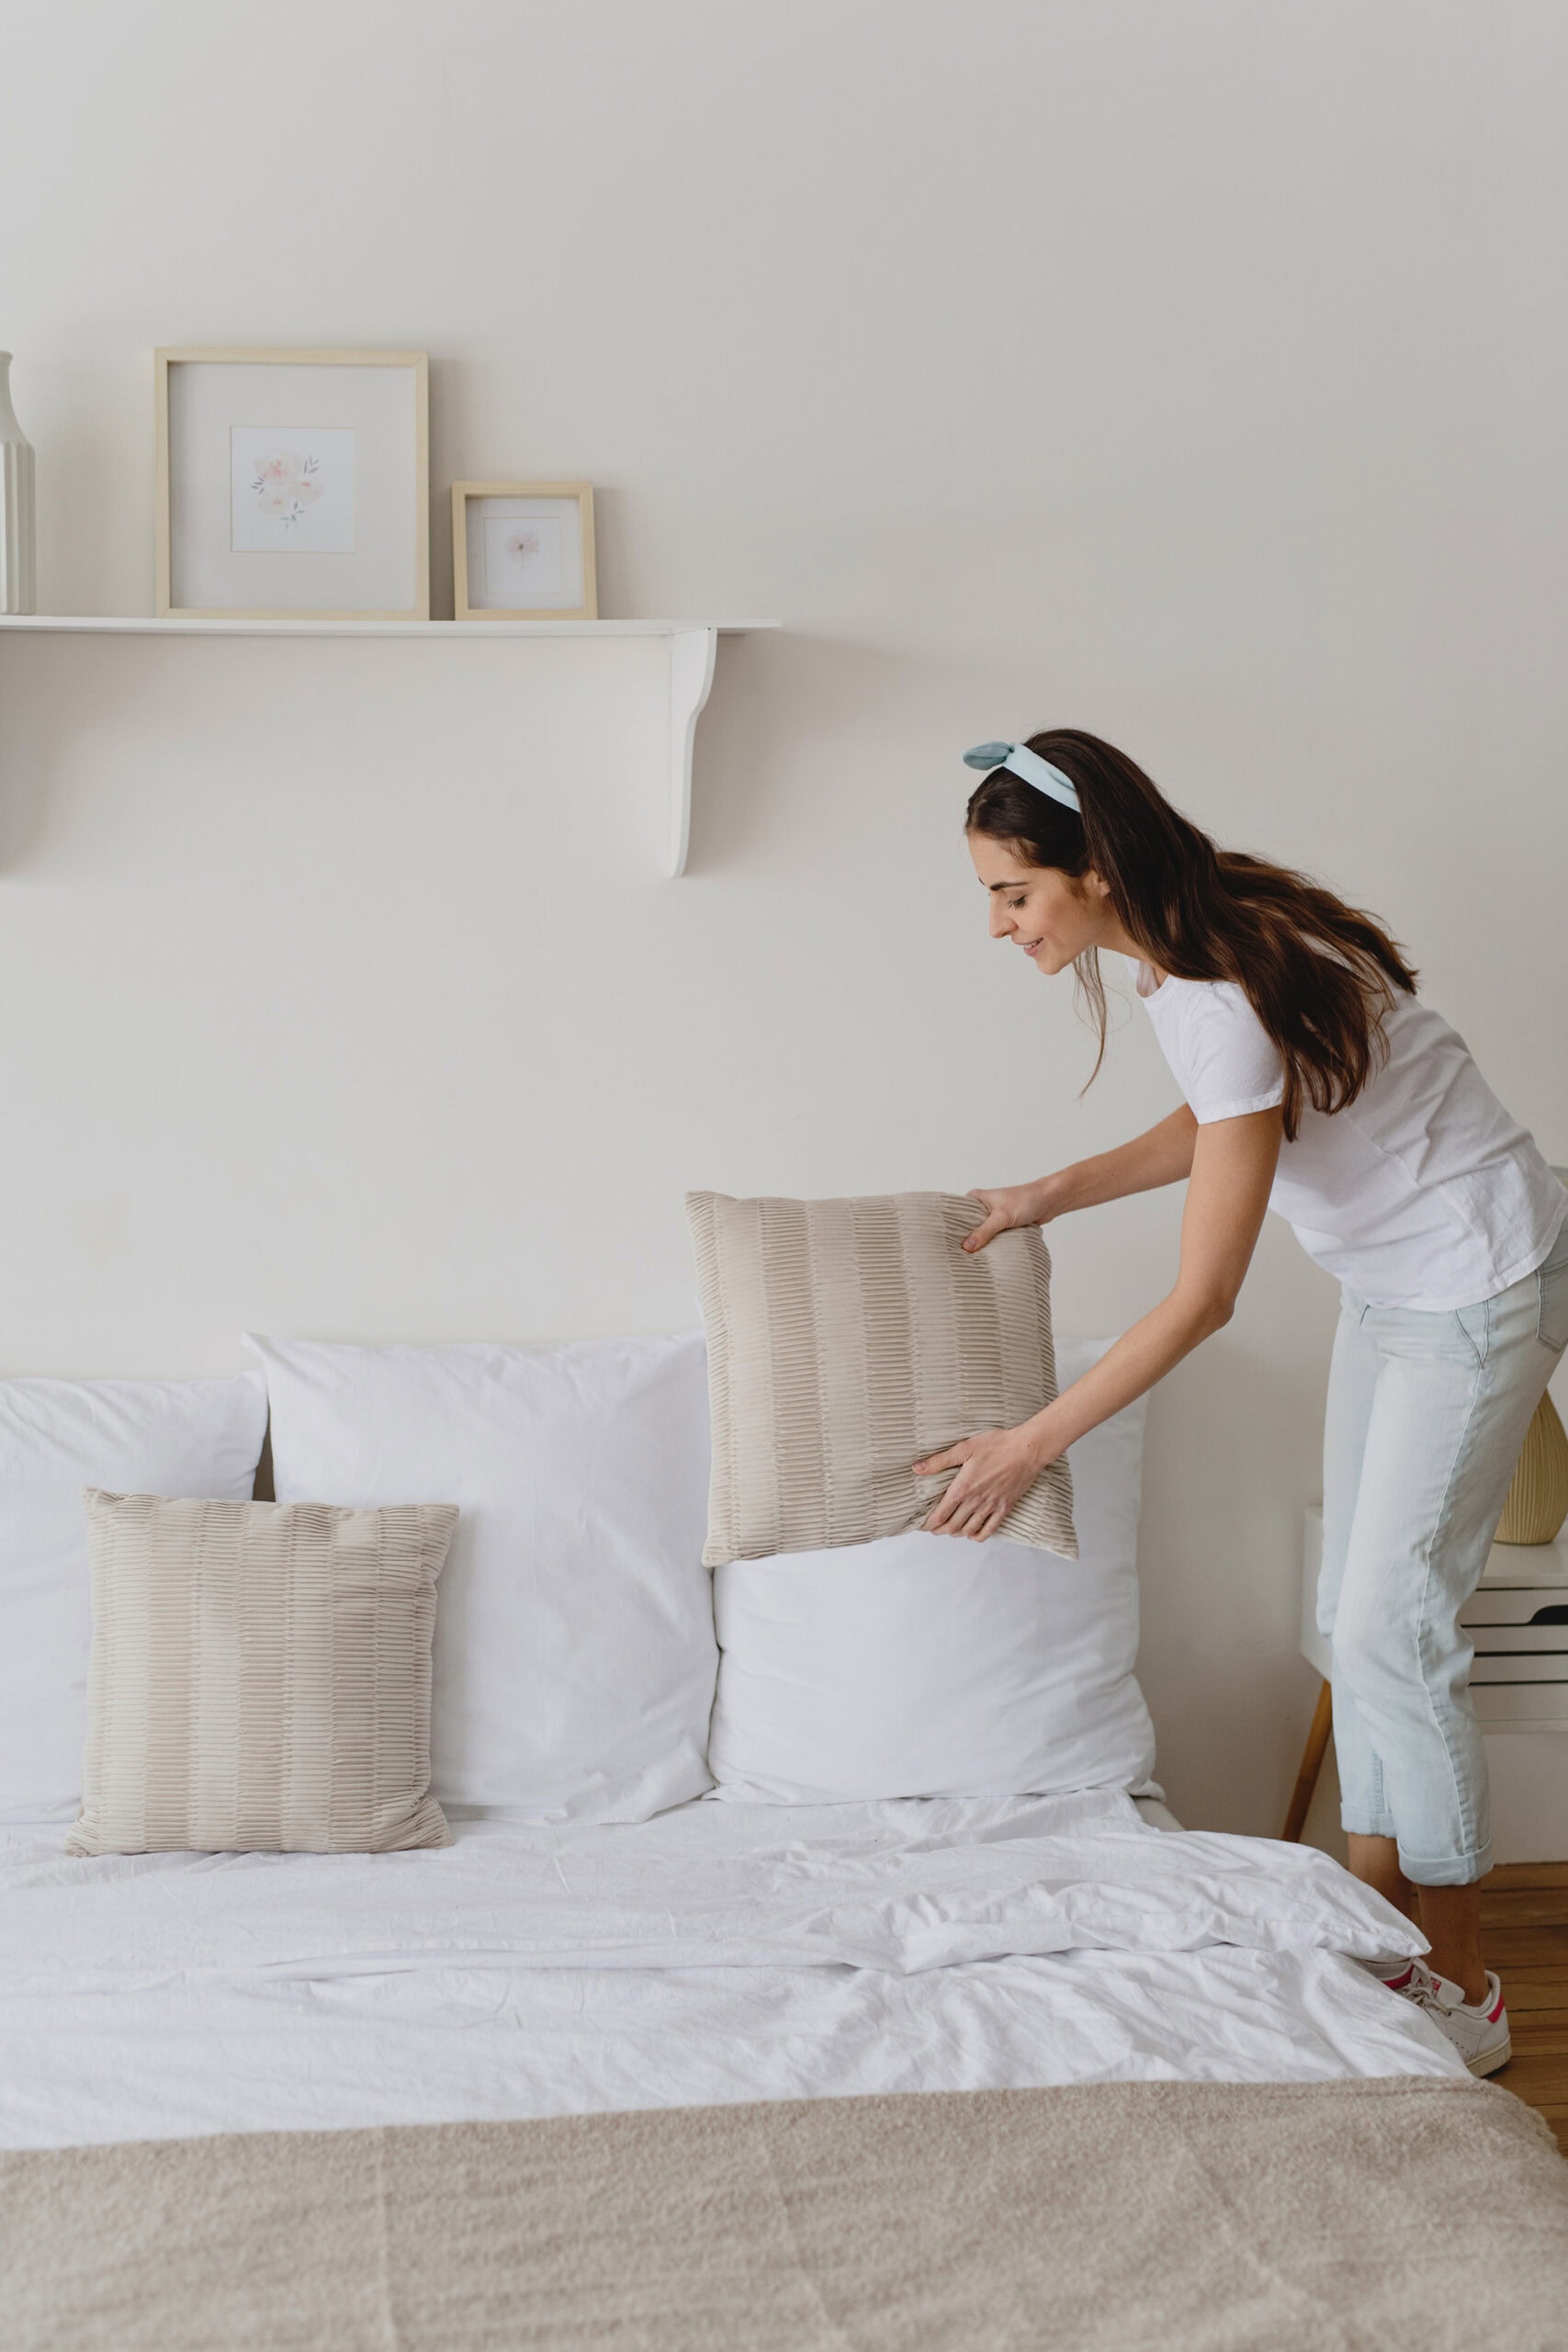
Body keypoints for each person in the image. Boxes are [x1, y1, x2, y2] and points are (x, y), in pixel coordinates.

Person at [913, 728, 1568, 2078]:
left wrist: (1035, 1440)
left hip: (1476, 1279)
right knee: (1356, 1615)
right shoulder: (1198, 940)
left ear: (1092, 869)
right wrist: (1052, 1191)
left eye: (1013, 893)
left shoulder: (1212, 978)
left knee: (1394, 1627)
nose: (996, 924)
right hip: (1402, 1284)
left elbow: (1204, 1300)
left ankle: (1466, 1982)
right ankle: (1387, 1920)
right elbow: (1228, 1119)